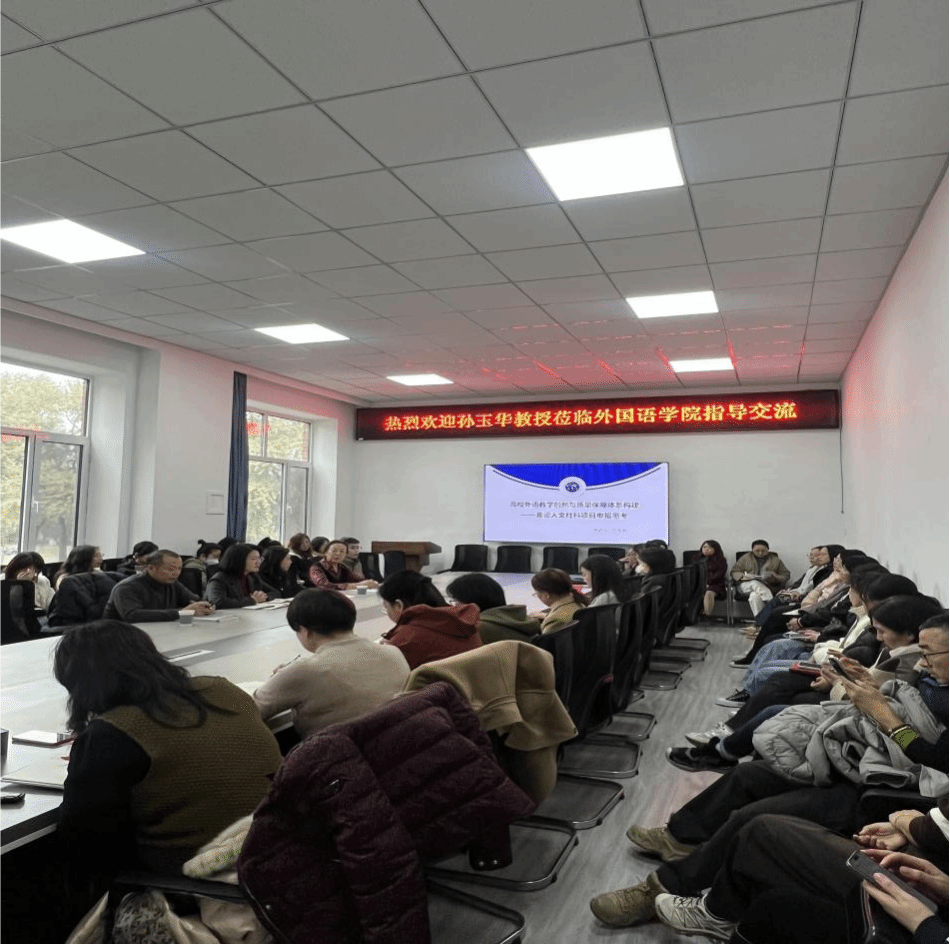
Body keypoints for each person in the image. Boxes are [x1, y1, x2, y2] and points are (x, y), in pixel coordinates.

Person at [588, 606, 948, 931]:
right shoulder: (934, 682)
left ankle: (663, 887)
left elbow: (930, 757)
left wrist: (885, 717)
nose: (921, 663)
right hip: (868, 767)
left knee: (754, 820)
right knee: (750, 774)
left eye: (928, 654)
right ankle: (680, 836)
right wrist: (872, 690)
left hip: (890, 791)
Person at [54, 620, 281, 883]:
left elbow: (81, 839)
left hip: (199, 881)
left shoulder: (114, 732)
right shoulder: (223, 689)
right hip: (278, 854)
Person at [253, 589, 409, 739]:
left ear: (305, 631)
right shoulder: (394, 653)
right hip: (397, 748)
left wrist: (282, 677)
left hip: (334, 753)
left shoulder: (304, 670)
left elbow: (249, 709)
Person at [379, 570, 482, 669]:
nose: (386, 611)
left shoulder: (405, 639)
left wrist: (389, 649)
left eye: (386, 606)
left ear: (398, 606)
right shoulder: (465, 623)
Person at [104, 549, 214, 622]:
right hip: (120, 636)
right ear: (151, 568)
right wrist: (182, 613)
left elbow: (194, 600)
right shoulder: (127, 587)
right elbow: (132, 615)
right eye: (170, 569)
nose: (176, 573)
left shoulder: (172, 583)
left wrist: (205, 605)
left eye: (179, 569)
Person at [446, 572, 541, 643]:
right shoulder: (522, 619)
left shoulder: (478, 629)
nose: (454, 606)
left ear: (470, 601)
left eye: (455, 600)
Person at [205, 543, 279, 608]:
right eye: (253, 559)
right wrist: (252, 600)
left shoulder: (252, 577)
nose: (258, 562)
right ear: (239, 560)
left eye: (259, 558)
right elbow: (217, 602)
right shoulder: (220, 579)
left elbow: (275, 592)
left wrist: (264, 597)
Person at [730, 539, 790, 616]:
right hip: (746, 586)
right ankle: (771, 602)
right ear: (752, 550)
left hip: (767, 586)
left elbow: (786, 575)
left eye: (763, 551)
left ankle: (761, 620)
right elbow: (734, 571)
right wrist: (743, 576)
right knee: (755, 583)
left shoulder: (775, 560)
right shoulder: (745, 558)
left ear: (768, 550)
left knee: (754, 596)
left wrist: (776, 576)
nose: (760, 553)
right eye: (757, 551)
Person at [529, 568, 586, 633]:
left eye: (536, 594)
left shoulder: (555, 620)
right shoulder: (578, 603)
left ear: (546, 595)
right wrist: (544, 615)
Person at [309, 539, 378, 590]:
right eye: (334, 551)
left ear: (345, 555)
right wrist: (358, 585)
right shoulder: (316, 568)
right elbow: (325, 586)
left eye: (342, 551)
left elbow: (358, 580)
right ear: (325, 552)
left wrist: (372, 583)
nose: (338, 554)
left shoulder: (342, 567)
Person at [698, 539, 727, 617]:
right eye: (704, 547)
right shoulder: (697, 560)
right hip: (700, 584)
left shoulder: (721, 561)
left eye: (709, 548)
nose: (706, 549)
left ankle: (707, 615)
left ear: (716, 549)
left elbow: (719, 575)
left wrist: (707, 582)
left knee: (709, 593)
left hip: (716, 585)